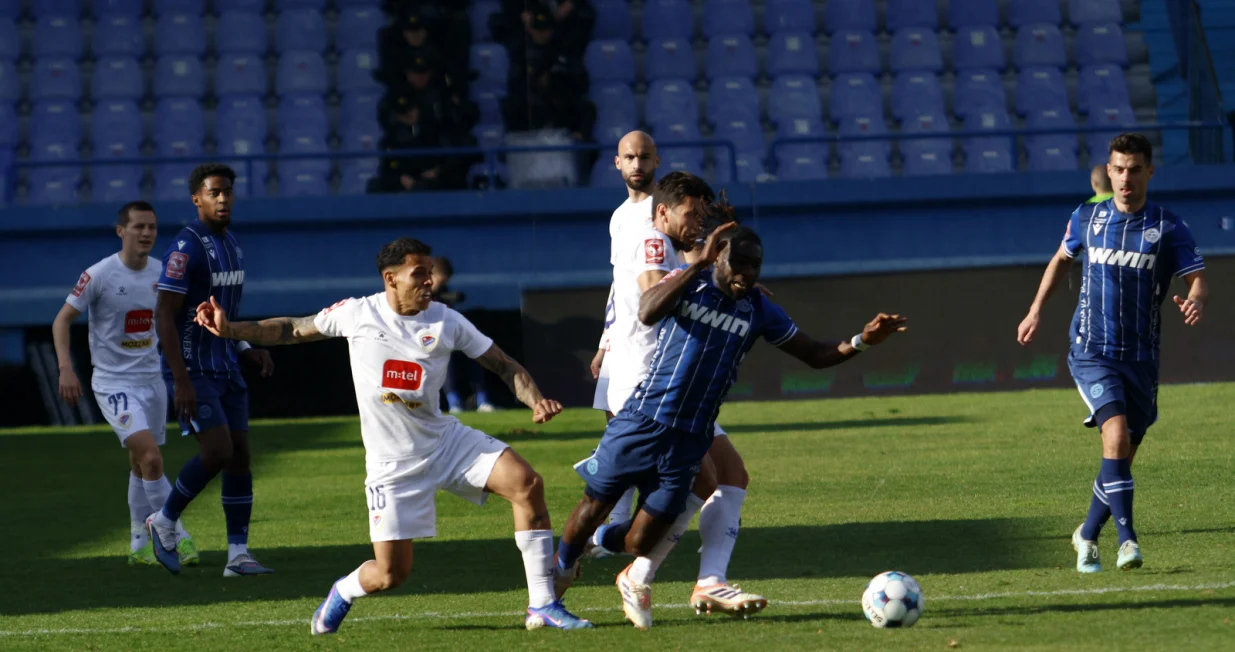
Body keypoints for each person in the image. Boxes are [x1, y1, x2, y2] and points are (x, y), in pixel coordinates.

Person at [192, 237, 592, 633]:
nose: (429, 281)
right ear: (391, 278)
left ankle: (541, 604)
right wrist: (230, 330)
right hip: (392, 465)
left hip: (445, 443)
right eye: (419, 273)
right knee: (390, 574)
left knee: (527, 483)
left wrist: (535, 400)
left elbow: (503, 364)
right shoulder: (357, 313)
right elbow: (292, 329)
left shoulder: (445, 320)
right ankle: (344, 591)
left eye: (430, 273)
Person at [555, 222, 908, 629]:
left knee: (639, 540)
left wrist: (861, 339)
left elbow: (814, 354)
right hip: (641, 422)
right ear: (717, 257)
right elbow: (648, 311)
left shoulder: (758, 309)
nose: (747, 272)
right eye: (738, 262)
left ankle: (597, 544)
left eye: (755, 266)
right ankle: (558, 579)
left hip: (689, 440)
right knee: (591, 506)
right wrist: (696, 266)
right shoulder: (691, 283)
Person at [1016, 133, 1208, 573]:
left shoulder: (1169, 226)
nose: (1125, 178)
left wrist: (1195, 299)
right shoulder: (1086, 218)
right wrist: (1035, 310)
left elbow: (1196, 279)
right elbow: (1061, 259)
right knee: (1116, 437)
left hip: (1141, 356)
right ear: (1109, 170)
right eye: (1118, 169)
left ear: (1149, 172)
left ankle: (1086, 534)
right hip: (1091, 349)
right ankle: (1127, 542)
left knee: (1119, 458)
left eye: (1134, 169)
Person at [146, 163, 276, 577]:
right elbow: (164, 316)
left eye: (228, 192)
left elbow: (223, 312)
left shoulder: (232, 244)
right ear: (196, 198)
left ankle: (238, 556)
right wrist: (180, 379)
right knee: (217, 451)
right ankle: (164, 521)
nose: (223, 199)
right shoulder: (186, 247)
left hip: (225, 364)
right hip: (193, 369)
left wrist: (243, 344)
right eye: (214, 192)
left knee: (240, 458)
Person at [51, 201, 198, 567]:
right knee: (151, 458)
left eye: (151, 227)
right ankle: (175, 534)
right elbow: (61, 321)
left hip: (152, 380)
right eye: (138, 227)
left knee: (139, 464)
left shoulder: (162, 274)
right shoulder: (99, 274)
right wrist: (65, 368)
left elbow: (181, 321)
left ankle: (138, 543)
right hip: (113, 383)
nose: (146, 233)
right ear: (121, 231)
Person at [431, 256, 494, 413]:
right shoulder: (422, 294)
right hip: (432, 340)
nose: (442, 284)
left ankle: (482, 399)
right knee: (447, 365)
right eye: (441, 279)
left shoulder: (442, 292)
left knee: (475, 357)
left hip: (451, 335)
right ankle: (454, 402)